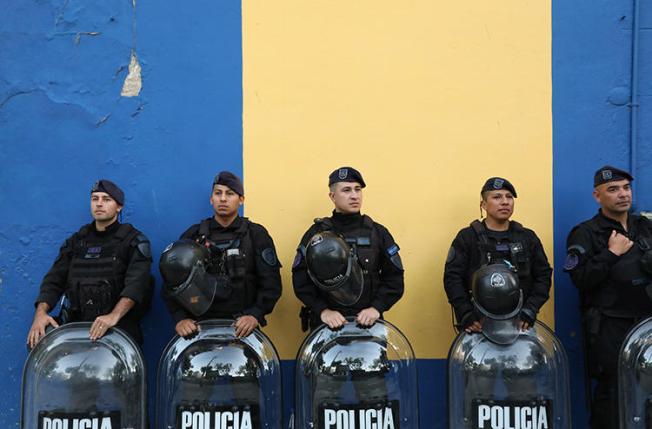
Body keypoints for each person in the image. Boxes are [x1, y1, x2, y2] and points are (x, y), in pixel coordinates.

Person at [565, 165, 652, 429]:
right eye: (613, 190)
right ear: (597, 196)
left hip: (646, 324)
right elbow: (580, 279)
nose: (622, 194)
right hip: (609, 328)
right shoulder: (586, 233)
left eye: (626, 188)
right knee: (612, 399)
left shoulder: (645, 227)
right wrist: (611, 254)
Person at [27, 179, 153, 348]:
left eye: (106, 199)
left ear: (119, 207)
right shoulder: (76, 242)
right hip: (77, 327)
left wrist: (113, 316)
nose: (99, 204)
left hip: (117, 328)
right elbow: (53, 280)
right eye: (95, 199)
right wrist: (40, 314)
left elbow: (137, 284)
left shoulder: (133, 241)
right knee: (39, 338)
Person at [162, 171, 282, 339]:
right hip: (200, 329)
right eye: (218, 193)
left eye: (230, 193)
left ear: (241, 200)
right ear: (211, 199)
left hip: (243, 328)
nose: (223, 199)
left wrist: (255, 315)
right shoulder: (193, 236)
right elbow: (172, 282)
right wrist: (181, 318)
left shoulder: (256, 235)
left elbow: (271, 284)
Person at [292, 166, 405, 331]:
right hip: (327, 327)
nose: (354, 196)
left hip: (369, 325)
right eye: (346, 190)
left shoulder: (377, 232)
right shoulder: (317, 234)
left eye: (357, 190)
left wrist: (376, 308)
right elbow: (301, 279)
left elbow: (394, 278)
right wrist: (322, 311)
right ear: (332, 196)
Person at [444, 177, 552, 333]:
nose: (505, 202)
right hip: (478, 326)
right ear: (483, 205)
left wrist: (531, 309)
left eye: (509, 197)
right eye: (497, 197)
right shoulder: (467, 237)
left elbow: (543, 275)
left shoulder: (527, 237)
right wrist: (466, 313)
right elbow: (452, 278)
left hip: (519, 326)